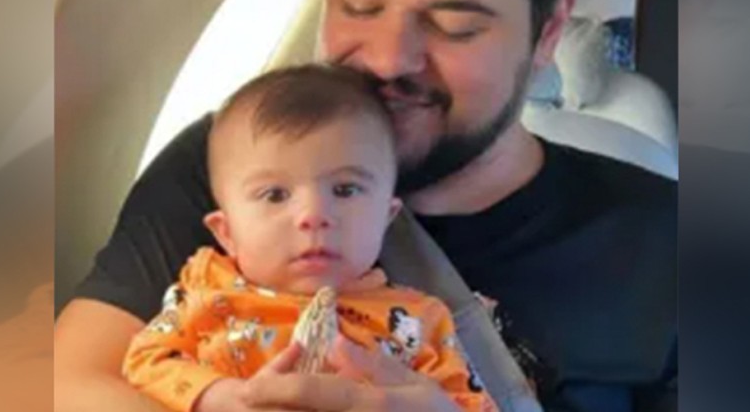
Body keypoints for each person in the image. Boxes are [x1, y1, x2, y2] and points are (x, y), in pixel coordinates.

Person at [55, 0, 677, 411]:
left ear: (549, 29)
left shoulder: (668, 246)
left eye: (454, 26)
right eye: (358, 3)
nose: (387, 59)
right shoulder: (237, 160)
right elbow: (71, 380)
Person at [121, 65, 496, 412]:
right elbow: (146, 359)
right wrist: (218, 397)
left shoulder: (420, 319)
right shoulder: (208, 287)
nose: (314, 215)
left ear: (387, 216)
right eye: (275, 195)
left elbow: (473, 403)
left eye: (345, 190)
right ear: (227, 232)